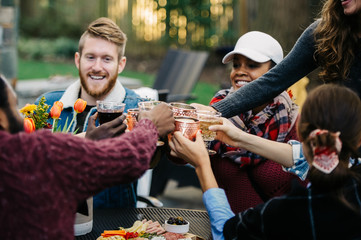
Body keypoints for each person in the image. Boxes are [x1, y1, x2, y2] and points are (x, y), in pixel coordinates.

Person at [170, 84, 361, 239]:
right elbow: (301, 156)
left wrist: (202, 165)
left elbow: (227, 233)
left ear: (300, 133)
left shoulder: (283, 212)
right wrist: (239, 138)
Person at [0, 74, 175, 239]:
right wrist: (150, 125)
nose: (19, 115)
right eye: (14, 106)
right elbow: (124, 158)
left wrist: (88, 143)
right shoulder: (25, 153)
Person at [35, 17, 143, 209]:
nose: (97, 67)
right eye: (90, 57)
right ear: (78, 60)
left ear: (121, 64)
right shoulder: (48, 106)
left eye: (107, 59)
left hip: (115, 230)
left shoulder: (137, 110)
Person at [192, 0, 361, 118]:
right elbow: (273, 81)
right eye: (237, 65)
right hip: (342, 150)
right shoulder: (326, 33)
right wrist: (214, 111)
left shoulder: (285, 117)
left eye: (252, 65)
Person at [208, 31, 302, 213]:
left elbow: (307, 183)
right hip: (232, 227)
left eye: (252, 65)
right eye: (236, 65)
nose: (240, 72)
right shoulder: (216, 113)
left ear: (277, 74)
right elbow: (191, 155)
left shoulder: (292, 122)